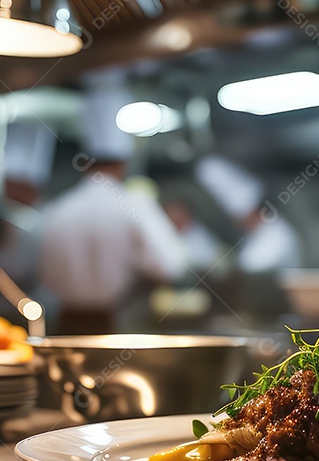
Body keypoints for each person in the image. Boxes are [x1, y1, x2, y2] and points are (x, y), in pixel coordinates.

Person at [38, 70, 185, 334]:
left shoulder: (57, 211)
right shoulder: (135, 205)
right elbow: (168, 266)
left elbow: (43, 276)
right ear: (124, 161)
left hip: (63, 326)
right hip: (115, 326)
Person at [195, 155, 301, 273]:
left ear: (253, 211)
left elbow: (253, 266)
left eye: (240, 217)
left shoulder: (277, 233)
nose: (236, 222)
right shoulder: (252, 235)